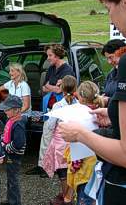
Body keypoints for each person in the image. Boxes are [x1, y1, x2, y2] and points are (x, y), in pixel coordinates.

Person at [58, 0, 126, 204]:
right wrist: (114, 116)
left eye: (108, 9)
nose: (110, 18)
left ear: (125, 0)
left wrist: (81, 135)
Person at [26, 44, 75, 176]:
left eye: (50, 55)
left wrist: (51, 87)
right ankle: (43, 165)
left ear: (57, 55)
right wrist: (53, 87)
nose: (48, 58)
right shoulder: (51, 69)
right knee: (46, 136)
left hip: (61, 110)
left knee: (57, 140)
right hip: (49, 107)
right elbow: (43, 87)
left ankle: (52, 168)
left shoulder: (67, 70)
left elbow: (61, 89)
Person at [65, 81, 104, 205]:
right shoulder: (102, 113)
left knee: (83, 198)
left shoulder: (80, 116)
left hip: (84, 170)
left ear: (80, 97)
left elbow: (77, 147)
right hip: (99, 166)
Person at [42, 75, 78, 205]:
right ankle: (69, 195)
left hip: (60, 144)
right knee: (73, 170)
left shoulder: (58, 106)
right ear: (75, 88)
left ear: (61, 89)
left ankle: (66, 199)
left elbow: (51, 125)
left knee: (62, 173)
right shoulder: (78, 105)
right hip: (75, 142)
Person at [0, 95, 27, 205]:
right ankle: (11, 200)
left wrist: (6, 147)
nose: (5, 111)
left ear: (16, 110)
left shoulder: (18, 123)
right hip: (11, 155)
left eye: (7, 109)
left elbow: (19, 143)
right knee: (10, 178)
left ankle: (15, 202)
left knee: (13, 180)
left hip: (14, 156)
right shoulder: (12, 120)